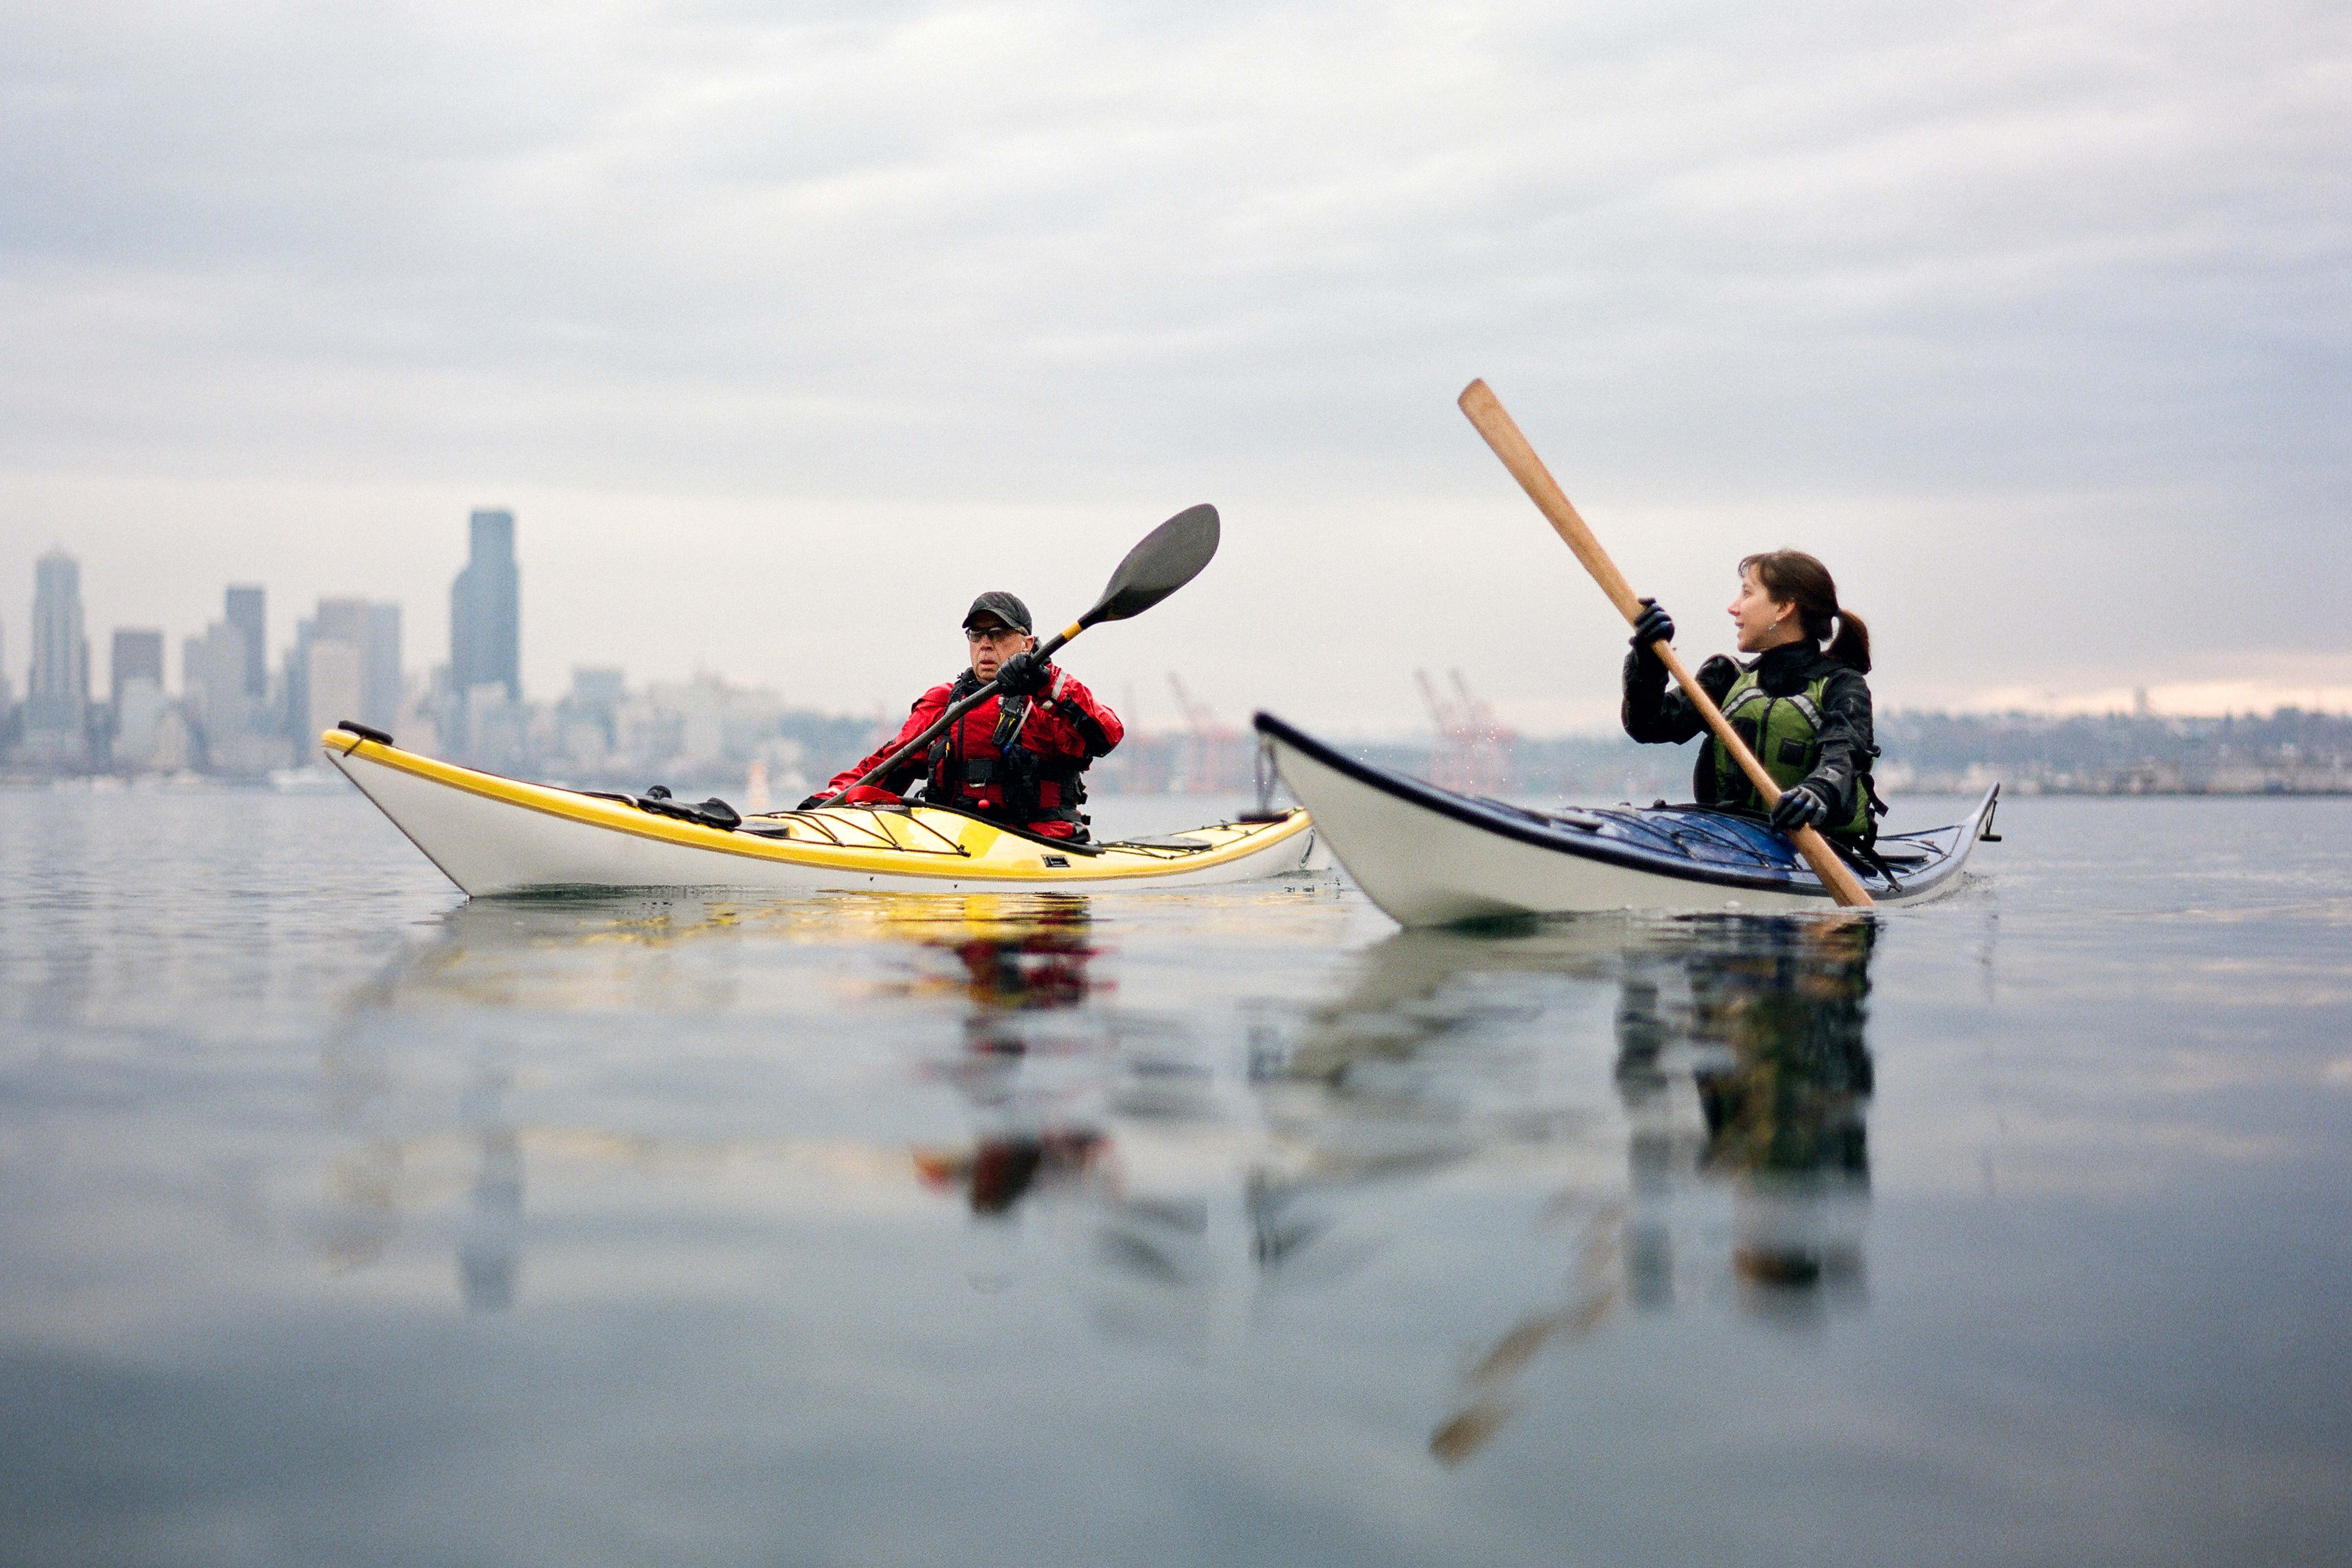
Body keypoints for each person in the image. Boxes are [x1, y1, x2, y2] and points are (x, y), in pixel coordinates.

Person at [803, 592, 1123, 840]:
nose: (985, 644)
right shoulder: (944, 702)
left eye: (998, 633)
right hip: (956, 842)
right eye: (977, 634)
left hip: (1039, 844)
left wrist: (1045, 682)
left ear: (1027, 643)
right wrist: (828, 800)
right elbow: (886, 766)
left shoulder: (1046, 700)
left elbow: (1108, 734)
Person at [1620, 551, 1880, 841]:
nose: (1734, 607)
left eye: (1747, 593)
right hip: (1727, 842)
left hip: (1813, 848)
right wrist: (1648, 657)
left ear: (1783, 607)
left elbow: (1844, 756)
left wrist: (1817, 792)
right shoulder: (1725, 678)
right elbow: (1648, 723)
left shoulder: (1842, 686)